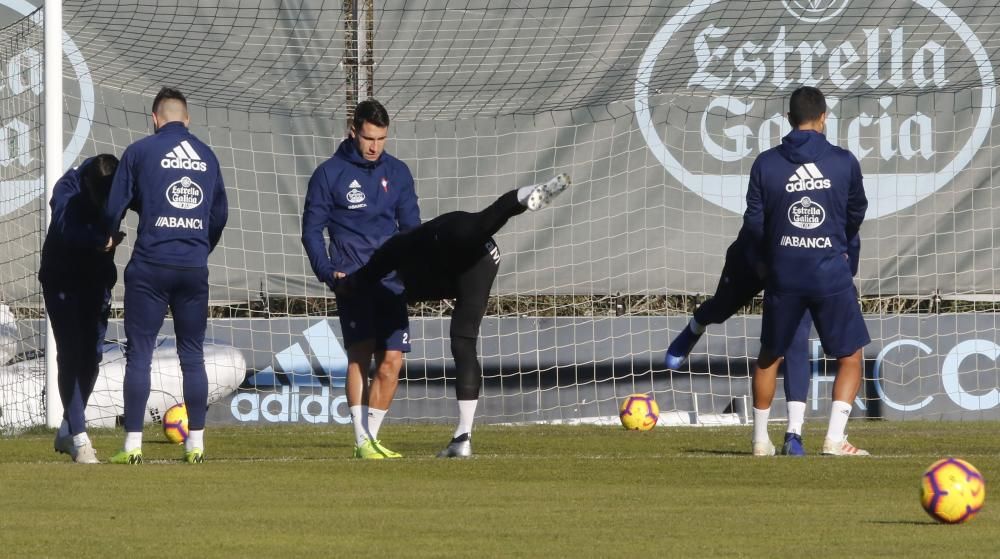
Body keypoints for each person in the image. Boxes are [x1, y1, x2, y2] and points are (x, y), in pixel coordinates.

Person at [335, 174, 571, 458]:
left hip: (455, 244)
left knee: (476, 228)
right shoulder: (401, 276)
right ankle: (462, 438)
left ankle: (522, 197)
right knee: (463, 342)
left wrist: (344, 283)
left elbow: (367, 275)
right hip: (479, 263)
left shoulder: (398, 248)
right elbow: (368, 280)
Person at [102, 87, 229, 464]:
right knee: (193, 355)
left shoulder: (140, 151)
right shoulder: (206, 155)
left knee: (139, 354)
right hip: (192, 267)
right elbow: (220, 214)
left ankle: (132, 447)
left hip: (151, 267)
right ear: (186, 120)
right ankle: (196, 445)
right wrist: (201, 246)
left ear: (155, 119)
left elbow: (115, 204)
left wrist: (109, 234)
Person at [743, 85, 870, 457]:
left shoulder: (765, 164)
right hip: (829, 270)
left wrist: (767, 262)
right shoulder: (843, 161)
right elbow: (856, 212)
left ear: (788, 119)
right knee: (850, 356)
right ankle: (833, 439)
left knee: (770, 353)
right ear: (824, 118)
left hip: (784, 273)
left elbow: (754, 224)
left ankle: (760, 440)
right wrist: (840, 244)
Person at [664, 228, 861, 456]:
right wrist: (762, 265)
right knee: (721, 308)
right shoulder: (775, 194)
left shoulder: (837, 201)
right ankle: (696, 326)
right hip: (757, 256)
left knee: (797, 334)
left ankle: (793, 434)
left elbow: (851, 231)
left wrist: (840, 271)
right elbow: (755, 223)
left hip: (804, 268)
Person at [301, 99, 420, 459]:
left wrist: (416, 271)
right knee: (360, 356)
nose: (374, 146)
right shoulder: (329, 174)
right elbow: (311, 232)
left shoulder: (398, 173)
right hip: (352, 280)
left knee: (392, 361)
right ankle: (360, 439)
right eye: (369, 138)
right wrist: (327, 272)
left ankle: (371, 438)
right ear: (353, 131)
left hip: (391, 283)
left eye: (381, 139)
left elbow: (411, 229)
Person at [40, 154, 123, 464]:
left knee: (93, 355)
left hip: (97, 280)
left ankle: (68, 427)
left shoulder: (118, 184)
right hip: (61, 279)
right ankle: (80, 438)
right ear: (88, 184)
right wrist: (101, 240)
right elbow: (63, 228)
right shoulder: (67, 188)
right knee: (70, 352)